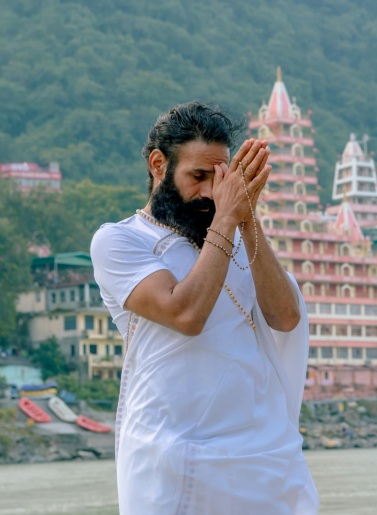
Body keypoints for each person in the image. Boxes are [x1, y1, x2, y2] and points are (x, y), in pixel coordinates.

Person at [90, 101, 319, 514]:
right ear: (158, 165)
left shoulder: (234, 233)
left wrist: (246, 218)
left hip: (264, 458)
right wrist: (227, 220)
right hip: (172, 458)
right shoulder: (122, 241)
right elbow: (186, 315)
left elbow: (285, 317)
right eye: (198, 176)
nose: (212, 193)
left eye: (221, 177)